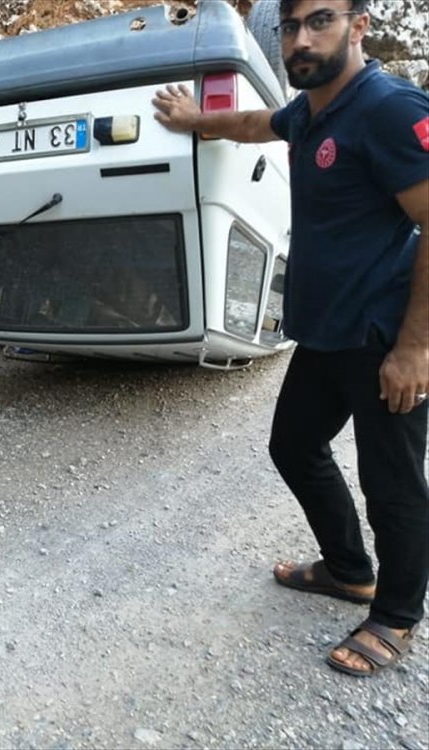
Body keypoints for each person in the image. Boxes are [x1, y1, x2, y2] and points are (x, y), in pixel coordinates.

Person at [152, 0, 428, 677]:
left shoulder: (387, 108)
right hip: (326, 329)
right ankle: (347, 569)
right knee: (294, 445)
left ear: (358, 28)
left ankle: (396, 613)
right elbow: (256, 122)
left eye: (321, 22)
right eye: (292, 27)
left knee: (391, 482)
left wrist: (415, 349)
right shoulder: (310, 110)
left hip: (381, 333)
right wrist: (194, 121)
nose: (302, 40)